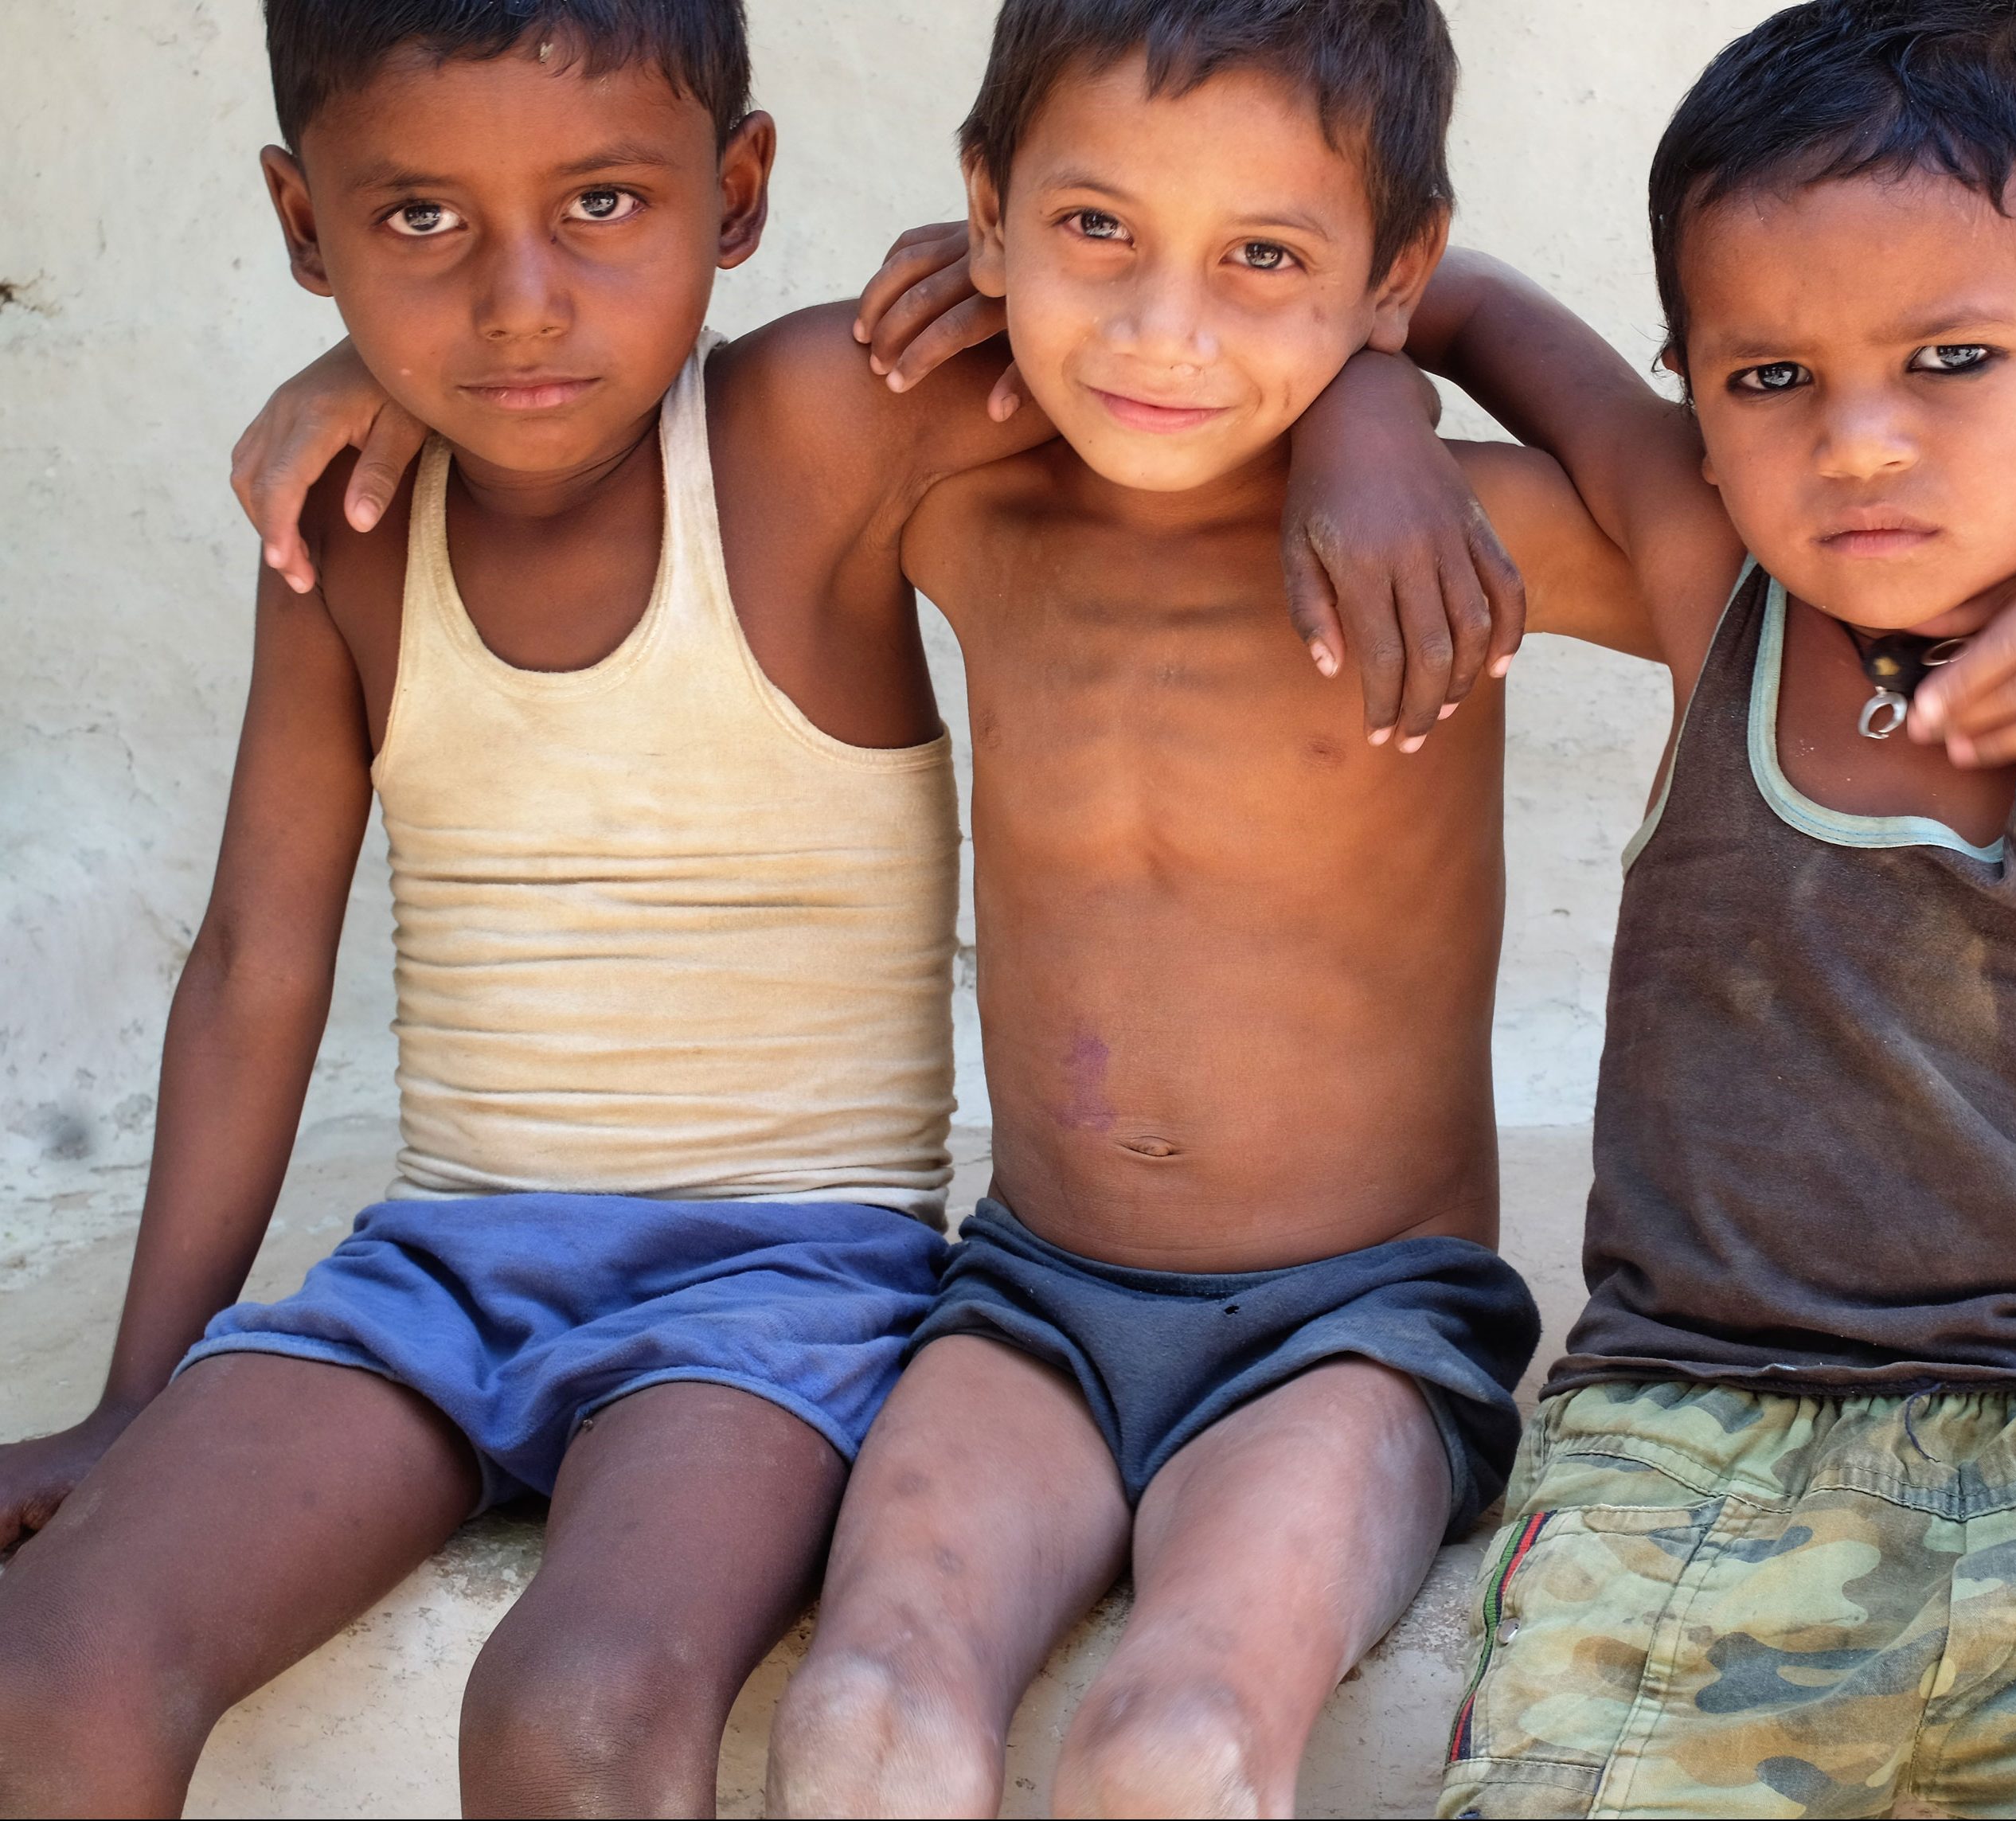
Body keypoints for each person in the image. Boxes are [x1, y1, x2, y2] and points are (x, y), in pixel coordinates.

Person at [0, 2, 1496, 1812]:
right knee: (48, 1668)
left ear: (737, 192)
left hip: (787, 1285)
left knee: (576, 1707)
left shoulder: (821, 423)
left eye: (601, 205)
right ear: (305, 226)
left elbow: (1212, 308)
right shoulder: (349, 524)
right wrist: (140, 1391)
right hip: (438, 1265)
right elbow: (253, 962)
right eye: (419, 220)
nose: (521, 304)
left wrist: (1371, 414)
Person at [750, 3, 2016, 1815]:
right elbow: (622, 419)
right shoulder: (963, 495)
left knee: (1173, 1744)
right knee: (860, 1714)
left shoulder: (1466, 536)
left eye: (1262, 256)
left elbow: (1846, 574)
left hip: (1359, 1329)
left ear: (1390, 272)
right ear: (992, 213)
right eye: (1095, 227)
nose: (1164, 328)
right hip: (1030, 1293)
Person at [1389, 4, 2016, 1815]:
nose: (1858, 442)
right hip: (1676, 1454)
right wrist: (1355, 425)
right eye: (1769, 377)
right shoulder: (1714, 589)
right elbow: (1441, 297)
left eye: (1952, 358)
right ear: (1691, 387)